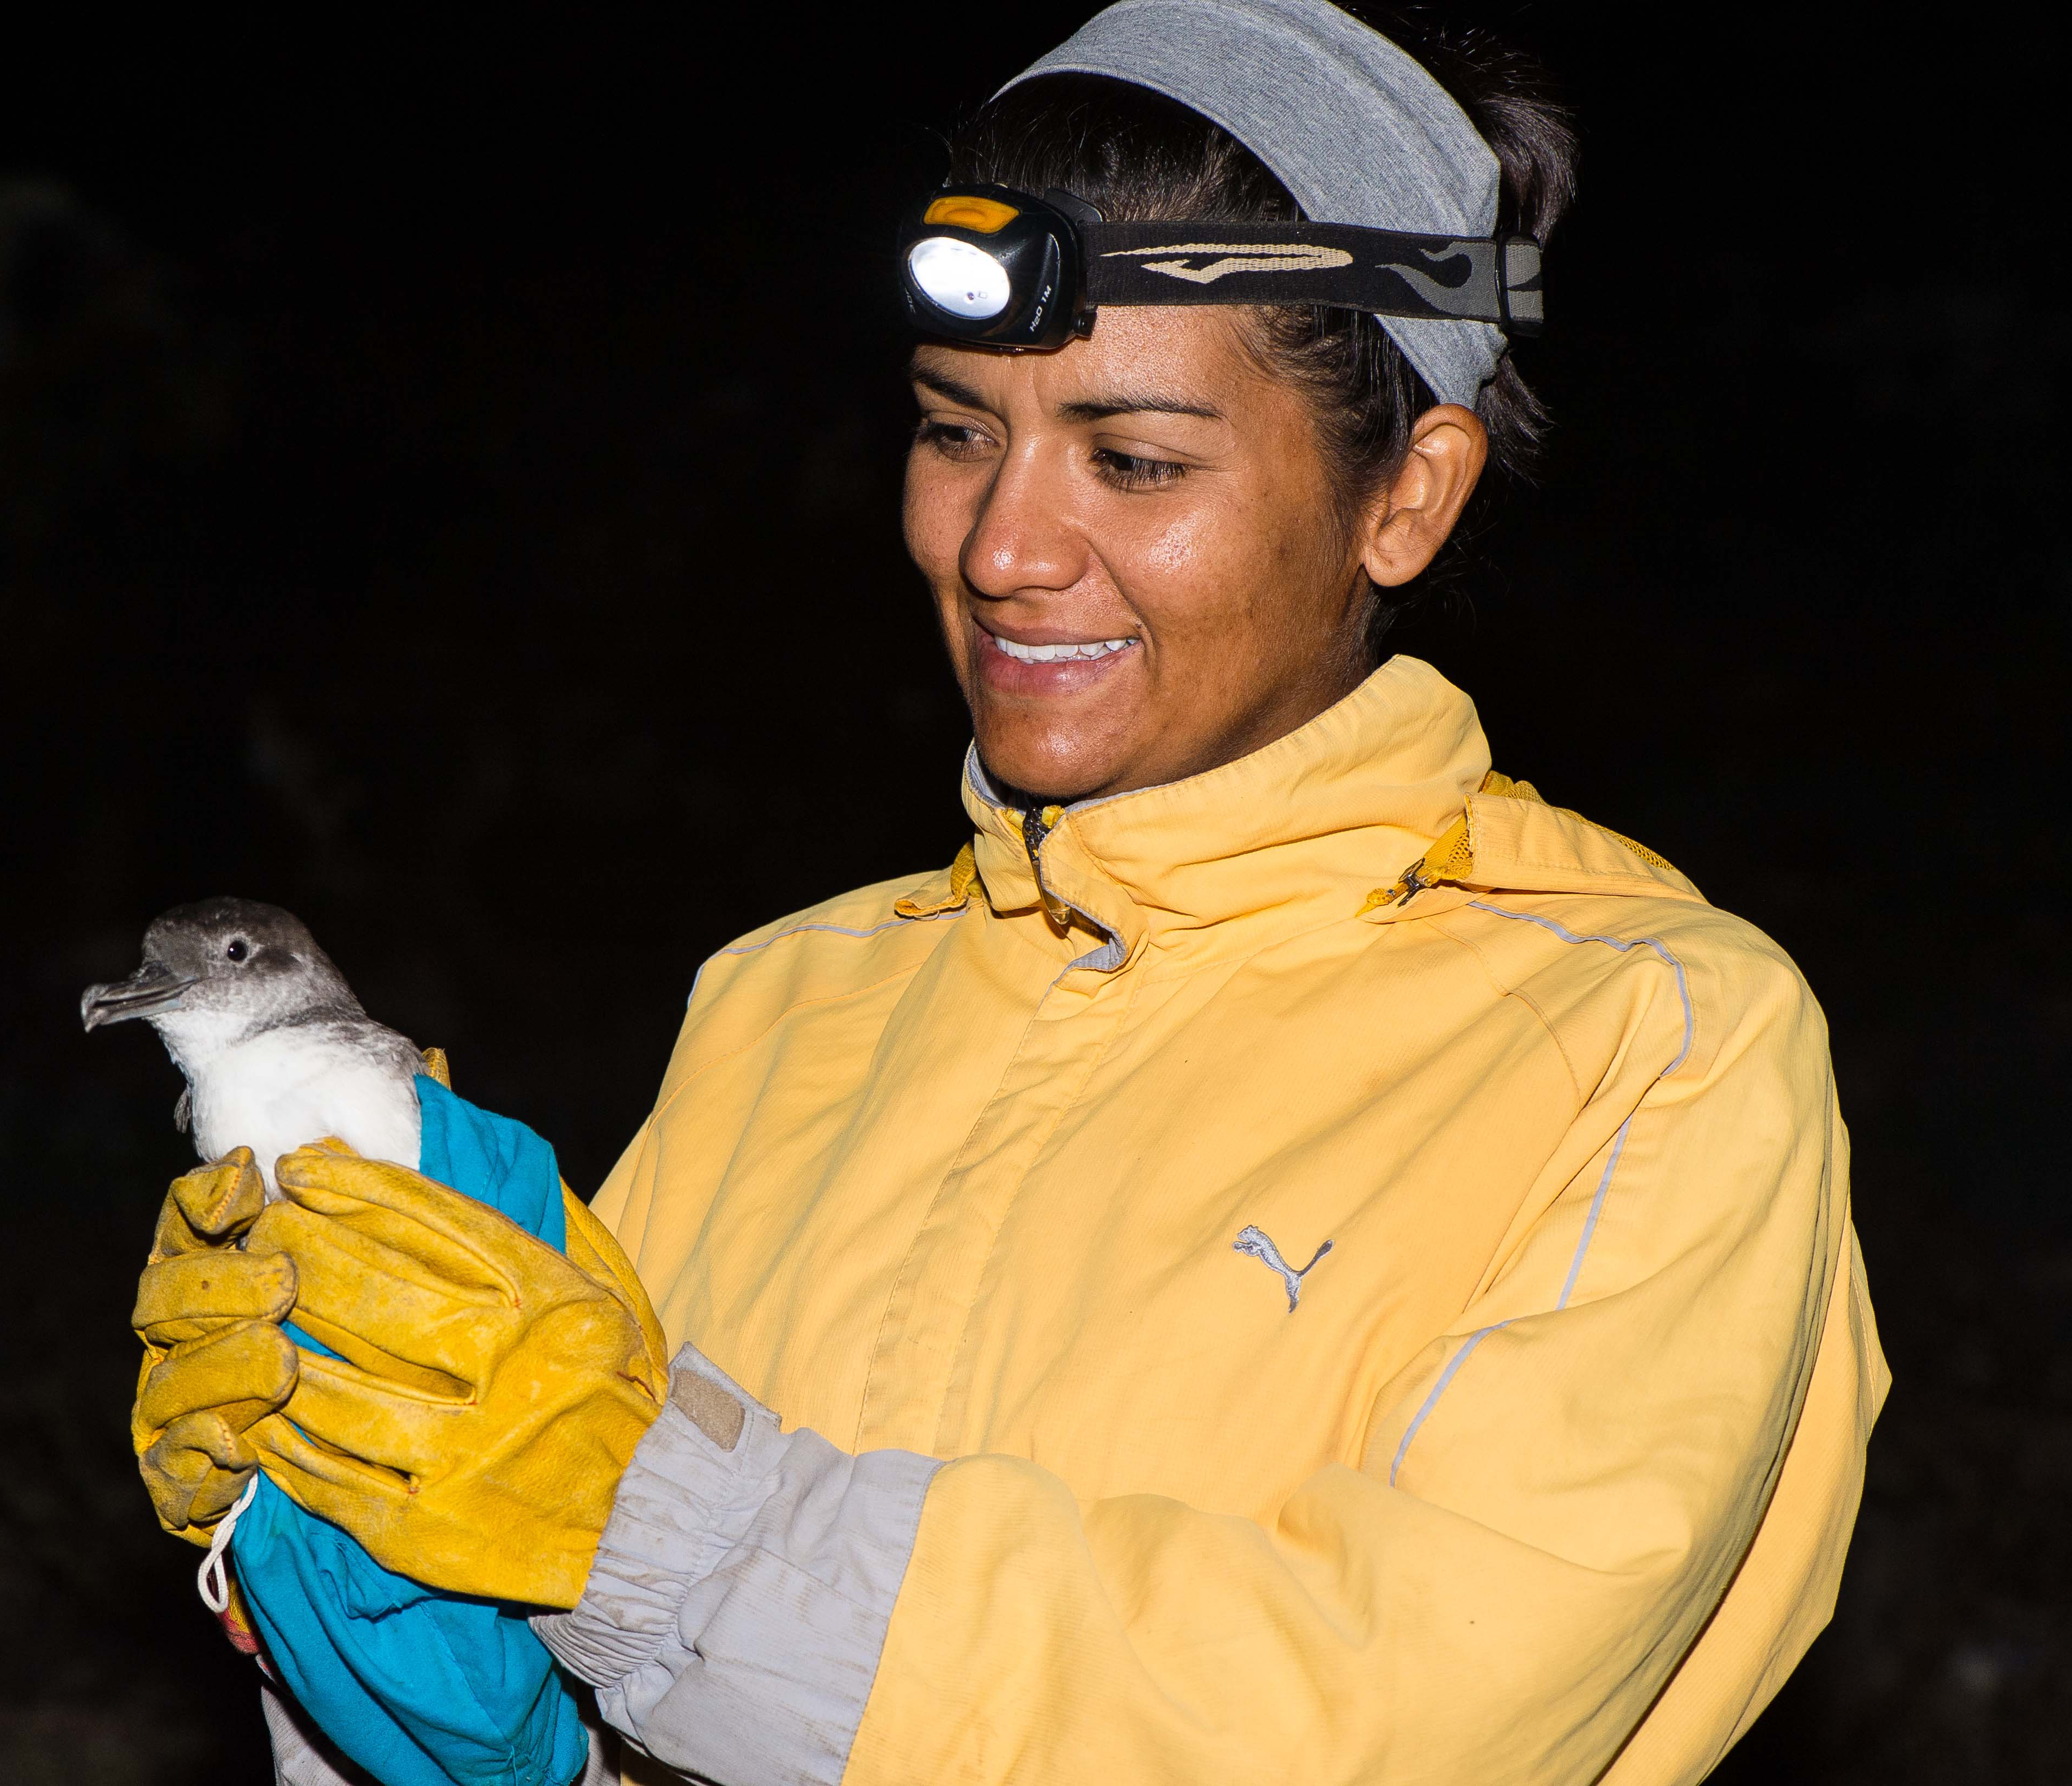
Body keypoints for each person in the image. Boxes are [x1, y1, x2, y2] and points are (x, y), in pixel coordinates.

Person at [128, 3, 1887, 1781]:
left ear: (1407, 499)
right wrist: (356, 1608)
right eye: (957, 431)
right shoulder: (789, 1001)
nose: (1002, 548)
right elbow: (598, 1705)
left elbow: (1392, 1720)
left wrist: (651, 1532)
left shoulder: (1645, 1038)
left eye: (1136, 460)